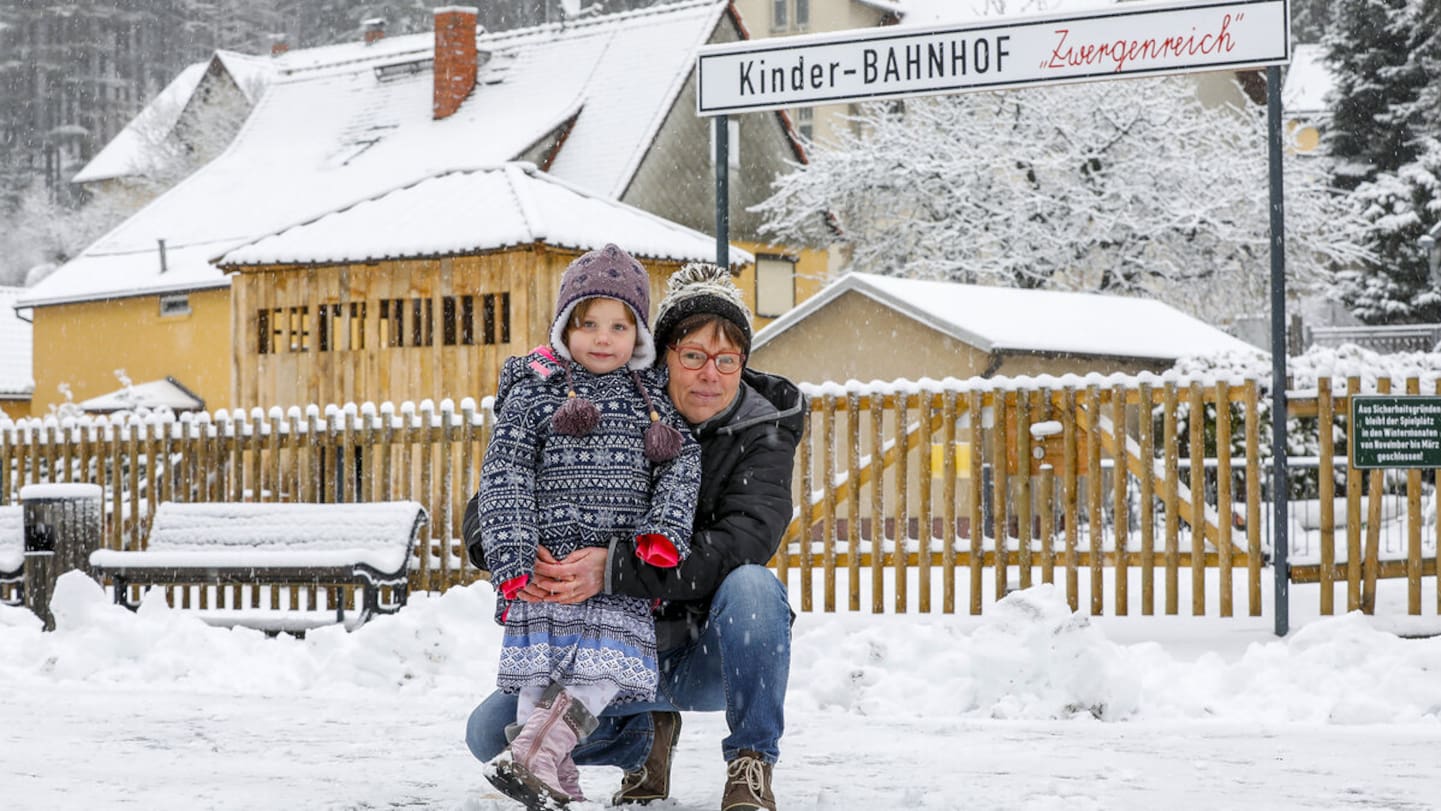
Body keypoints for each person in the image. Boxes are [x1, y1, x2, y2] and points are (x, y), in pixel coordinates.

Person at [465, 262, 806, 811]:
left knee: (754, 588)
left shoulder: (762, 430)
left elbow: (744, 542)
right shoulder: (602, 401)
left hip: (696, 651)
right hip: (599, 638)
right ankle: (646, 739)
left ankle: (751, 761)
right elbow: (500, 487)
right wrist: (517, 552)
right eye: (692, 355)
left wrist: (616, 565)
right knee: (489, 735)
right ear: (663, 352)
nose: (709, 374)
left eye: (726, 359)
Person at [476, 244, 702, 810]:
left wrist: (657, 537)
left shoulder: (652, 406)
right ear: (564, 328)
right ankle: (548, 767)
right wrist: (513, 553)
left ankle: (539, 758)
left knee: (601, 674)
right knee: (539, 679)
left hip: (613, 575)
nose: (603, 338)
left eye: (619, 325)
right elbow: (505, 473)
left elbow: (682, 466)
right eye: (589, 323)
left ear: (638, 334)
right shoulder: (535, 392)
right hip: (545, 568)